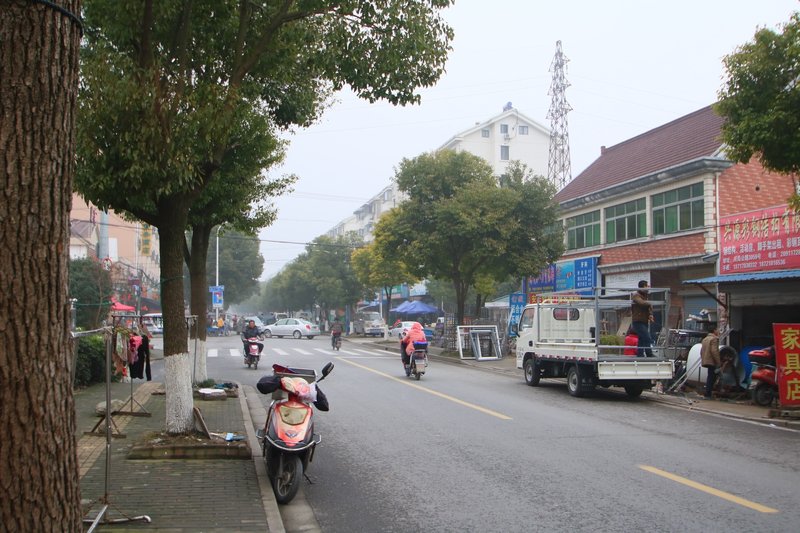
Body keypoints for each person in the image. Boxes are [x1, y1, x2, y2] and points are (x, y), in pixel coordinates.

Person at [631, 280, 655, 357]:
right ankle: (649, 353)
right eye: (647, 286)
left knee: (641, 338)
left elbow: (648, 307)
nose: (648, 287)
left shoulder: (645, 296)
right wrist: (650, 303)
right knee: (647, 337)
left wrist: (650, 314)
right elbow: (641, 302)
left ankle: (640, 354)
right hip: (638, 321)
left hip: (644, 320)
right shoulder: (636, 295)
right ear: (643, 287)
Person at [700, 327, 720, 399]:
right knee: (712, 377)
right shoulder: (714, 339)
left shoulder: (705, 339)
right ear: (714, 330)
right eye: (717, 330)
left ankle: (708, 392)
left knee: (710, 376)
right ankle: (708, 394)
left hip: (706, 360)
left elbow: (701, 351)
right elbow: (714, 351)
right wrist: (718, 362)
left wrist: (703, 358)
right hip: (712, 361)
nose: (718, 331)